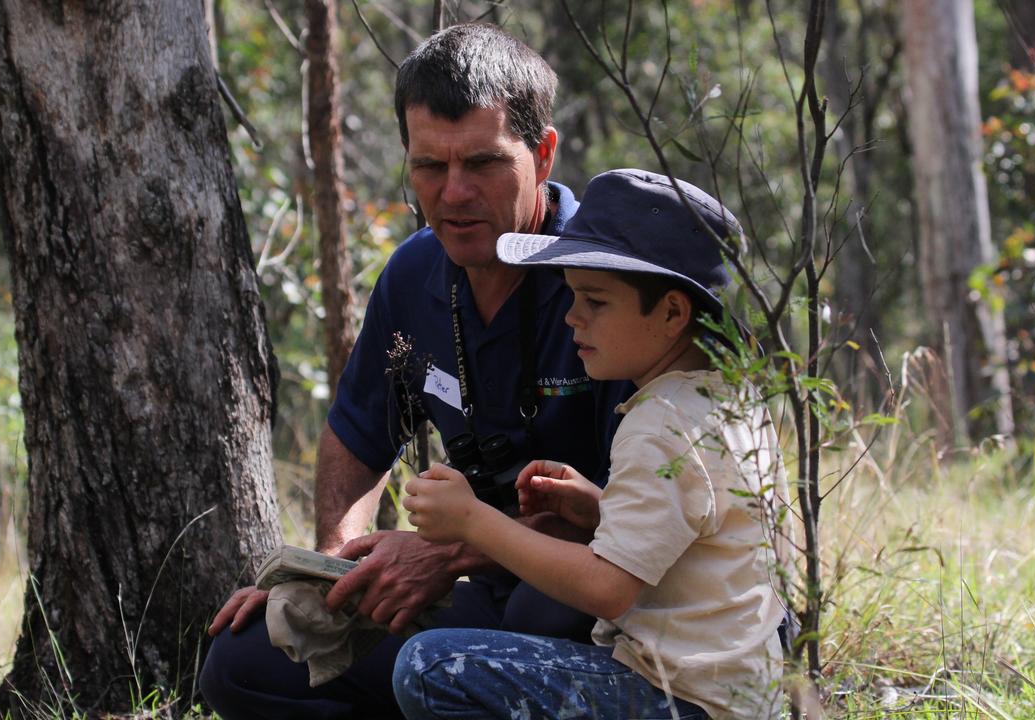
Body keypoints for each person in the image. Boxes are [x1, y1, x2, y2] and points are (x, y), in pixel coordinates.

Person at [199, 24, 631, 719]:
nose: (454, 193)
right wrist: (336, 575)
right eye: (430, 165)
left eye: (483, 163)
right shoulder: (413, 276)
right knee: (245, 661)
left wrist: (453, 551)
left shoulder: (609, 283)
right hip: (478, 596)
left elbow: (634, 527)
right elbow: (358, 435)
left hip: (595, 607)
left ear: (543, 154)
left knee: (538, 609)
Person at [394, 168, 790, 720]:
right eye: (572, 295)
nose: (572, 316)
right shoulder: (730, 401)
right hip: (744, 696)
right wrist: (602, 507)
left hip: (685, 701)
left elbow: (608, 590)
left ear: (673, 312)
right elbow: (705, 536)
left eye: (595, 301)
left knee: (431, 666)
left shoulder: (662, 423)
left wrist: (473, 521)